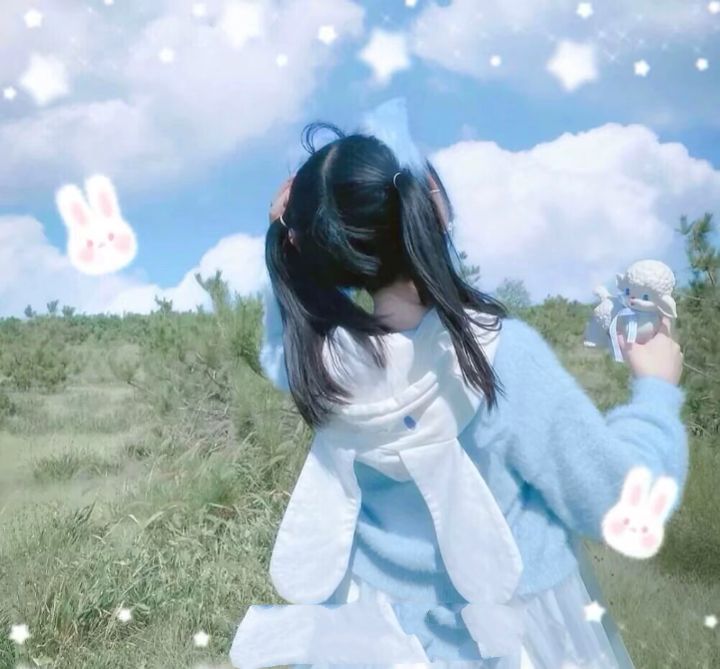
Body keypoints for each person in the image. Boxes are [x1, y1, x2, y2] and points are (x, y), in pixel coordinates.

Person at [230, 119, 687, 669]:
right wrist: (655, 393)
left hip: (375, 636)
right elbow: (616, 504)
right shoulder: (499, 357)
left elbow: (284, 331)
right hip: (516, 635)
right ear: (430, 209)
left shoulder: (320, 365)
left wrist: (284, 238)